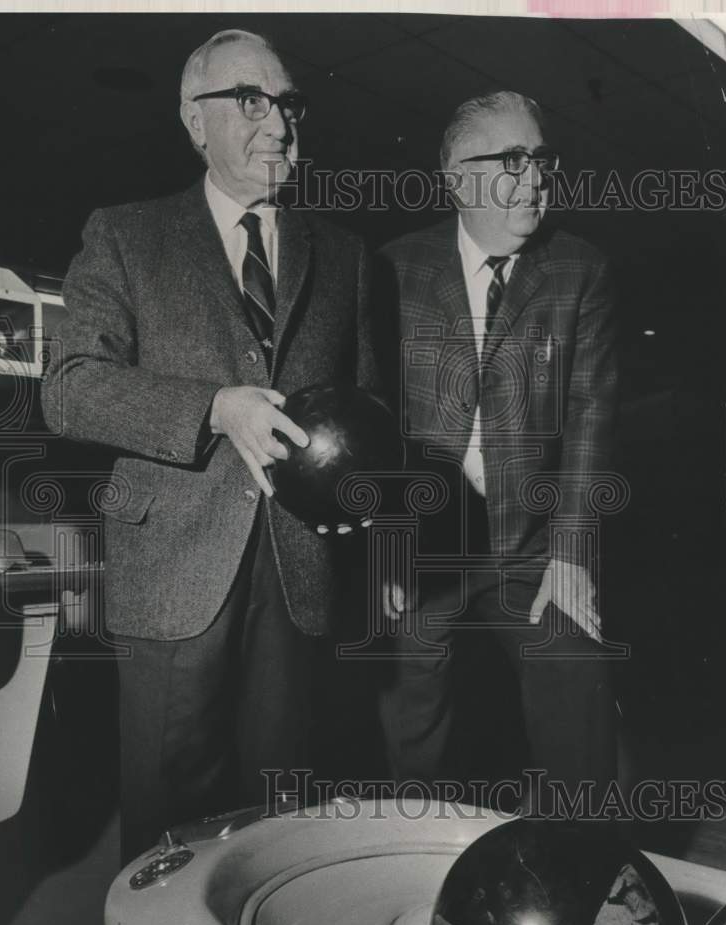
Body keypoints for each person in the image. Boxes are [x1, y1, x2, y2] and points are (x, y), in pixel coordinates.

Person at [41, 29, 378, 862]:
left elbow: (369, 410)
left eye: (289, 103)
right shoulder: (125, 236)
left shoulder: (347, 258)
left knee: (281, 815)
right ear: (196, 121)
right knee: (167, 814)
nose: (279, 124)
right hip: (174, 571)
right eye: (251, 101)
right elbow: (70, 386)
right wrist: (215, 408)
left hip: (300, 571)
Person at [377, 90, 620, 814]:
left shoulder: (580, 270)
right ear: (455, 175)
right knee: (409, 729)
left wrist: (572, 552)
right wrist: (387, 542)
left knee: (578, 691)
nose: (535, 177)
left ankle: (586, 877)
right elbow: (378, 419)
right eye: (511, 159)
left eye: (541, 158)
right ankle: (412, 869)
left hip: (536, 546)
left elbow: (590, 417)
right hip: (424, 544)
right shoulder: (392, 269)